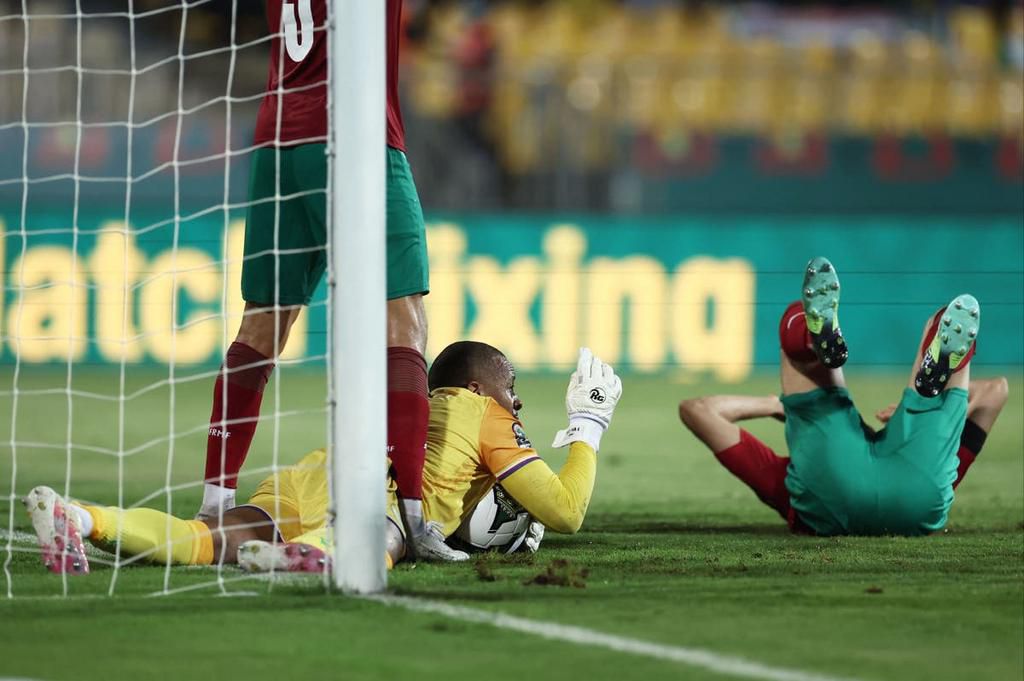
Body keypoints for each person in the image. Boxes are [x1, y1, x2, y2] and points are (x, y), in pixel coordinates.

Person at [198, 1, 453, 560]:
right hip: (355, 130)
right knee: (403, 318)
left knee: (262, 323)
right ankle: (413, 515)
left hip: (277, 140)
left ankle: (214, 503)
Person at [26, 345, 622, 574]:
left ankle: (84, 520)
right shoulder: (485, 412)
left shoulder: (412, 404)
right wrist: (588, 424)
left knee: (204, 539)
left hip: (314, 473)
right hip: (385, 500)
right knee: (387, 539)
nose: (517, 397)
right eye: (510, 383)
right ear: (479, 383)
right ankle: (309, 555)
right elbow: (566, 510)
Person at [678, 256, 1004, 537]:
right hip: (916, 499)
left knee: (802, 327)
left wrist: (775, 405)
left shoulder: (786, 482)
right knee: (945, 321)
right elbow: (996, 390)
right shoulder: (788, 480)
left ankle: (815, 341)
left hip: (834, 494)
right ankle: (928, 371)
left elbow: (695, 410)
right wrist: (918, 406)